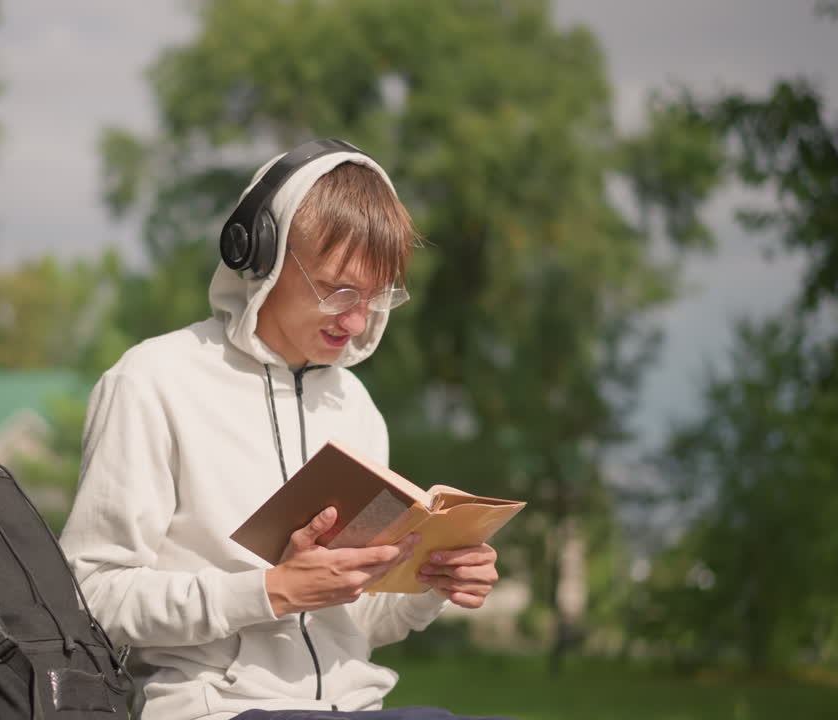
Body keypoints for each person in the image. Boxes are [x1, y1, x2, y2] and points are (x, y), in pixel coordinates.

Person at [59, 139, 506, 720]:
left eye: (376, 296)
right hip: (215, 709)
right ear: (259, 256)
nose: (357, 321)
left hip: (359, 708)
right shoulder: (151, 381)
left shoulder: (355, 405)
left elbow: (359, 622)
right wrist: (269, 592)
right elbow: (90, 595)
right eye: (338, 290)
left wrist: (430, 583)